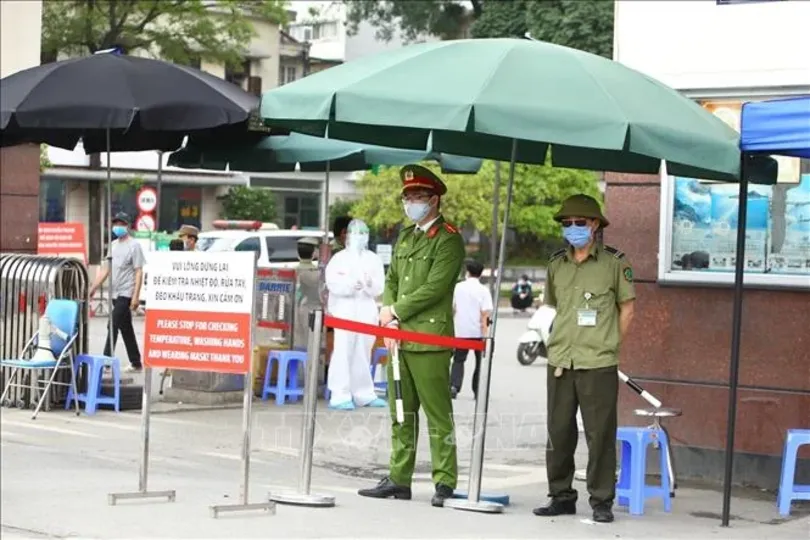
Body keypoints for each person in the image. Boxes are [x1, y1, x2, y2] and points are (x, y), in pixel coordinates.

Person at [358, 164, 465, 508]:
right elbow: (393, 280)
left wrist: (396, 311)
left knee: (437, 414)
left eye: (418, 197)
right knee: (401, 412)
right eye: (408, 198)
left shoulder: (448, 239)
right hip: (398, 338)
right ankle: (399, 478)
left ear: (434, 200)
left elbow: (436, 287)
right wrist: (387, 316)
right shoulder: (406, 236)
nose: (411, 203)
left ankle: (445, 480)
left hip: (430, 339)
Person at [533, 194, 636, 524]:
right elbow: (554, 308)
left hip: (598, 362)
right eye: (567, 224)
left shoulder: (615, 264)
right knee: (559, 431)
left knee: (600, 434)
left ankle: (602, 499)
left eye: (580, 222)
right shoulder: (556, 264)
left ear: (595, 225)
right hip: (561, 359)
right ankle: (561, 495)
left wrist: (610, 344)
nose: (573, 228)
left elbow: (628, 309)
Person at [325, 219, 388, 410]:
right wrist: (349, 286)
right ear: (347, 236)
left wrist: (369, 284)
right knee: (343, 352)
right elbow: (332, 283)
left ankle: (364, 393)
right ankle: (340, 394)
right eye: (355, 233)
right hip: (344, 312)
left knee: (363, 351)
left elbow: (379, 287)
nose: (359, 237)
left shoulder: (373, 259)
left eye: (363, 233)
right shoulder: (339, 259)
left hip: (366, 312)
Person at [88, 212, 145, 372]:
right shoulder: (112, 246)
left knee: (112, 323)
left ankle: (105, 362)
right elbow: (105, 269)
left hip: (126, 293)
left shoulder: (134, 246)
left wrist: (135, 296)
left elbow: (139, 272)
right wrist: (92, 288)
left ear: (128, 226)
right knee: (125, 328)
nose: (118, 227)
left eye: (121, 224)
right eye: (116, 224)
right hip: (114, 292)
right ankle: (136, 362)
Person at [450, 259, 493, 400]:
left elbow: (453, 308)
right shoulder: (484, 290)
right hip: (478, 332)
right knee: (479, 362)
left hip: (461, 330)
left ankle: (454, 386)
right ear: (480, 274)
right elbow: (485, 314)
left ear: (467, 272)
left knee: (459, 359)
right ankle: (477, 390)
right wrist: (486, 335)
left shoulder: (458, 287)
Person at [293, 236, 322, 351]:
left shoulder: (295, 270)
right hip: (314, 311)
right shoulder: (318, 273)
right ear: (313, 253)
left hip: (298, 311)